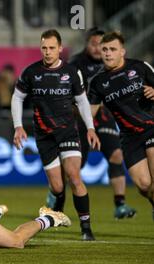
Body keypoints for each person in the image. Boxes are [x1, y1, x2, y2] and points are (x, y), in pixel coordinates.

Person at [11, 29, 100, 241]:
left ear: (60, 48)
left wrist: (90, 127)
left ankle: (86, 228)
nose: (48, 52)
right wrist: (18, 126)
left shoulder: (71, 72)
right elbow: (17, 98)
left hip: (68, 132)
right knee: (58, 186)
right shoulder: (31, 72)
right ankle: (57, 213)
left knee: (74, 177)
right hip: (44, 137)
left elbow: (82, 101)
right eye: (44, 48)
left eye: (52, 48)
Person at [46, 28, 137, 219]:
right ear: (87, 44)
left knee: (116, 155)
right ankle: (57, 193)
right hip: (79, 119)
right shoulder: (76, 64)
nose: (98, 49)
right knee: (75, 168)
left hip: (104, 116)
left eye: (101, 45)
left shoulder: (112, 64)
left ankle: (120, 204)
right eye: (93, 44)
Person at [88, 31, 154, 220]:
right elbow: (90, 112)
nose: (108, 53)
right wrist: (88, 128)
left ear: (122, 51)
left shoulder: (140, 67)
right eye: (105, 49)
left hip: (151, 126)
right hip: (129, 137)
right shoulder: (98, 83)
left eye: (112, 49)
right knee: (143, 186)